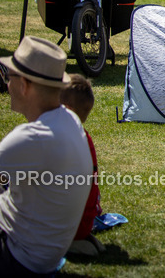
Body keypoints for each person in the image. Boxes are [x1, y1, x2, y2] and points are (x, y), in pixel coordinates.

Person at [0, 37, 92, 275]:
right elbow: (2, 151)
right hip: (39, 257)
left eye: (8, 77)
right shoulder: (65, 120)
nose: (6, 85)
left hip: (6, 259)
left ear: (24, 84)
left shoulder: (34, 137)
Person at [60, 74, 104, 257]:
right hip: (85, 220)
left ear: (67, 109)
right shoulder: (83, 136)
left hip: (71, 225)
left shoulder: (64, 138)